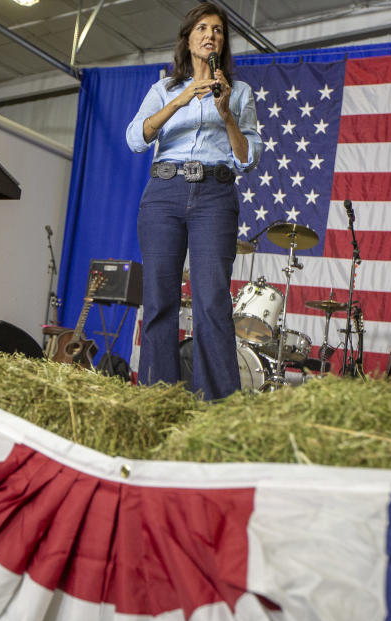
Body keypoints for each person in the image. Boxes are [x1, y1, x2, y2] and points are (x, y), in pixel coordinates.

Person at [126, 2, 261, 400]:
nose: (210, 35)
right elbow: (136, 138)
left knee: (212, 302)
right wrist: (181, 99)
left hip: (215, 196)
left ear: (223, 42)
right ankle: (157, 398)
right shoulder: (163, 89)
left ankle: (218, 405)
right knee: (159, 301)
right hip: (164, 194)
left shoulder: (240, 95)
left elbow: (248, 158)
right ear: (188, 39)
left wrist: (227, 115)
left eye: (217, 30)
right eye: (202, 28)